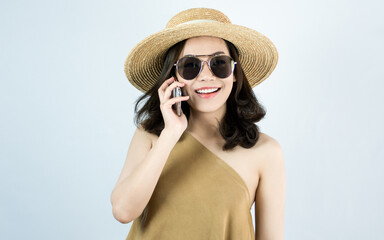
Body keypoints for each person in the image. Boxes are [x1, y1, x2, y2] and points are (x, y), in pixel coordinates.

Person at [111, 8, 286, 240]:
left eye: (219, 63)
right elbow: (123, 211)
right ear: (173, 76)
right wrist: (170, 134)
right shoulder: (151, 135)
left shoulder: (266, 152)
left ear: (234, 73)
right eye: (190, 66)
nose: (206, 76)